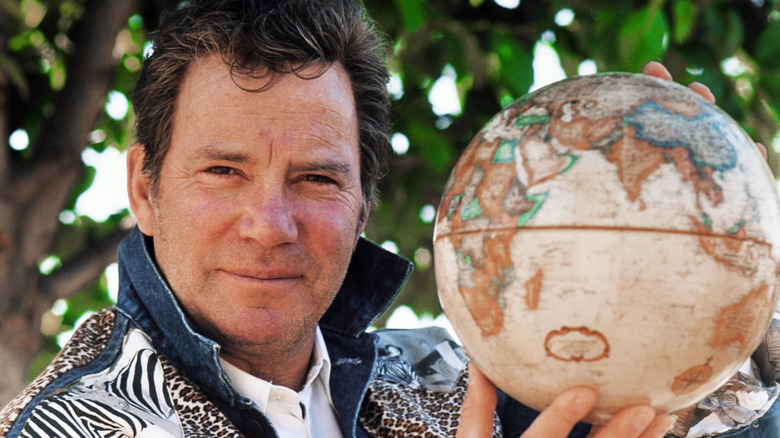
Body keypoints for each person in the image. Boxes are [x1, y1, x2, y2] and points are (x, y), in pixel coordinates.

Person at [1, 0, 777, 436]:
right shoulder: (61, 429)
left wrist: (728, 271)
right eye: (223, 171)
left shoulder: (464, 372)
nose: (269, 223)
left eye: (316, 178)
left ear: (365, 200)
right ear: (144, 186)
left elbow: (725, 415)